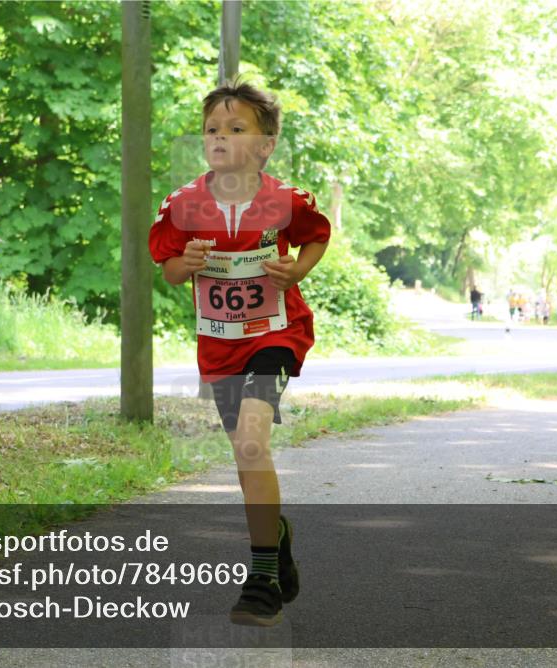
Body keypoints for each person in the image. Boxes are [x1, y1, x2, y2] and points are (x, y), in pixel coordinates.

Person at [149, 80, 329, 626]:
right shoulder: (182, 204)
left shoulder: (287, 199)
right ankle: (274, 537)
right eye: (211, 130)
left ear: (266, 144)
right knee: (245, 454)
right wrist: (191, 263)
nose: (220, 138)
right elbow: (170, 270)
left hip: (275, 332)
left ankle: (262, 580)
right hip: (220, 344)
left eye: (236, 128)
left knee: (254, 439)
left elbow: (316, 236)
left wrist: (297, 269)